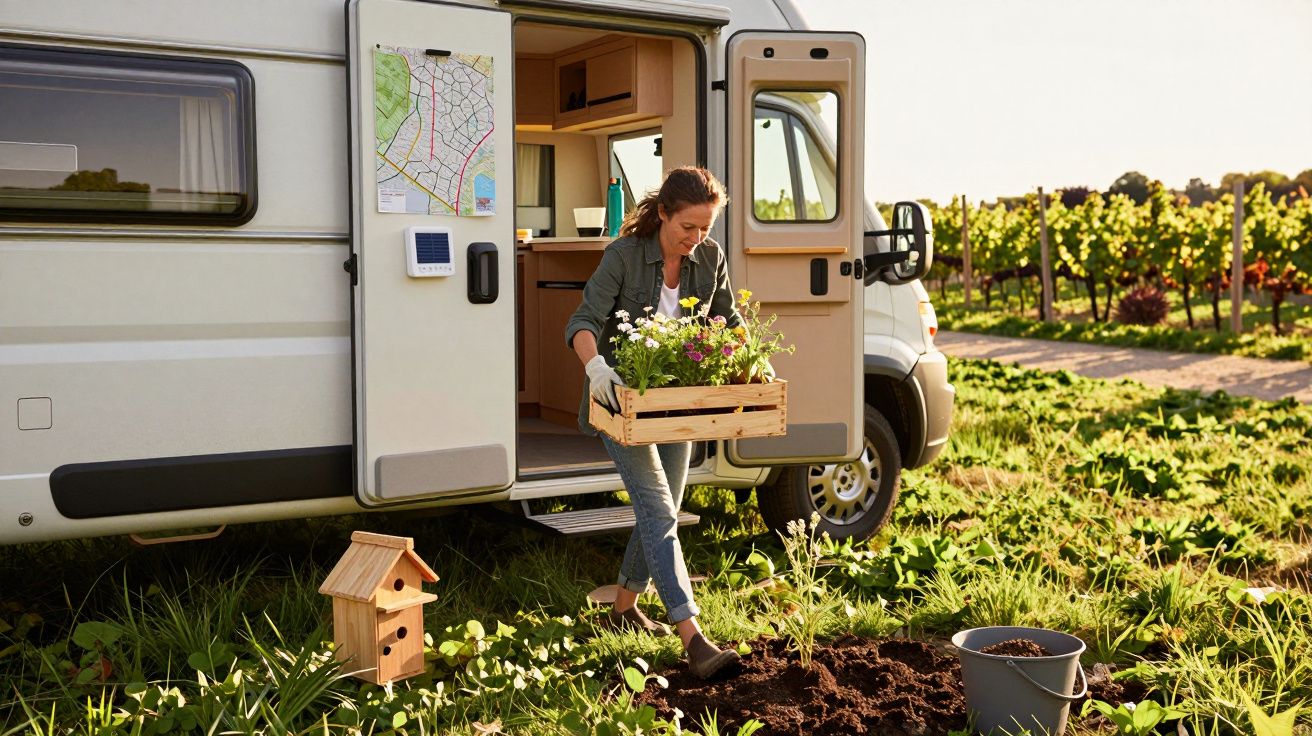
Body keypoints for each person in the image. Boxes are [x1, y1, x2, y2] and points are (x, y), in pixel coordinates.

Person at [564, 166, 743, 679]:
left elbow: (727, 320)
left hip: (676, 405)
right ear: (663, 213)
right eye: (688, 227)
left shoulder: (709, 259)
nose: (697, 238)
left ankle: (622, 609)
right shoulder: (623, 256)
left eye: (706, 227)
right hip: (622, 404)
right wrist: (596, 367)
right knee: (660, 512)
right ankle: (694, 638)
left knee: (663, 506)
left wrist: (753, 359)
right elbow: (583, 321)